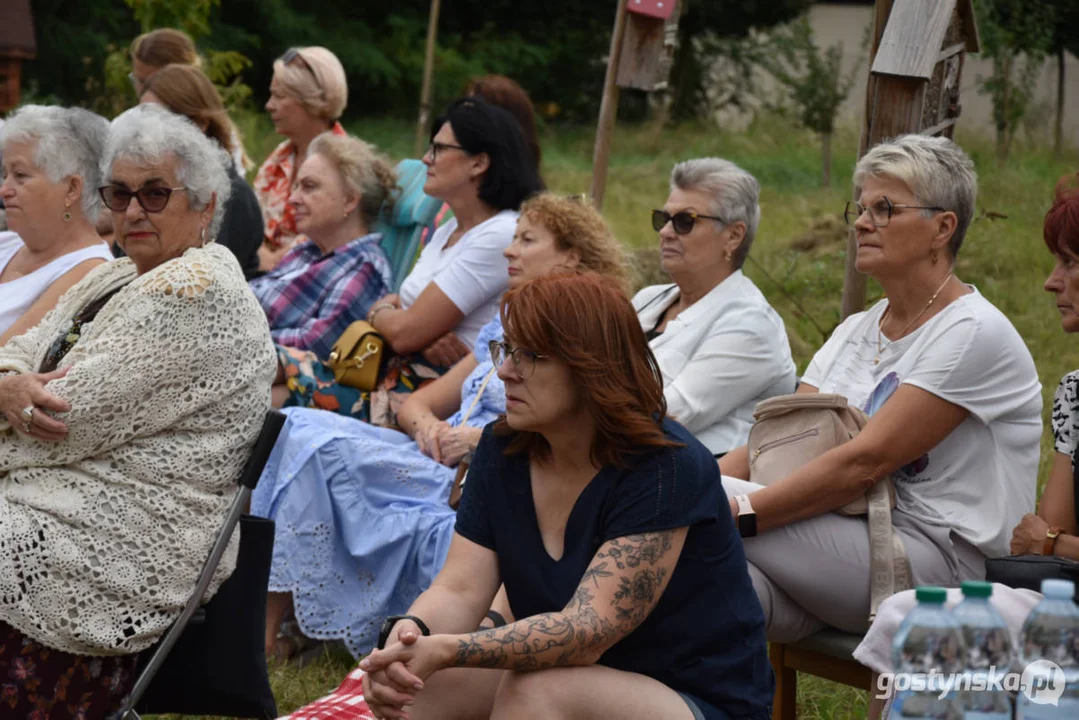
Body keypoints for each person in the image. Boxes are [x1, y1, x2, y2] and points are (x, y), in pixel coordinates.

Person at [357, 272, 774, 720]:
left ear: (590, 367)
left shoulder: (665, 468)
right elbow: (459, 589)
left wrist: (448, 649)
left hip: (694, 696)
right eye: (506, 350)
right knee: (416, 688)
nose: (504, 371)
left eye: (528, 356)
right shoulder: (504, 449)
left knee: (537, 690)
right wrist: (412, 637)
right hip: (580, 676)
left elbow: (588, 631)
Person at [251, 193, 631, 661]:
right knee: (294, 425)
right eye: (511, 239)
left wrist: (479, 442)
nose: (509, 251)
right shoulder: (505, 320)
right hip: (433, 451)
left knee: (317, 446)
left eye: (527, 241)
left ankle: (275, 634)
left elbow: (578, 432)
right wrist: (427, 426)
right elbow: (421, 402)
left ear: (572, 254)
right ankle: (269, 625)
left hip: (480, 471)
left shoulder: (585, 333)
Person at [0, 103, 275, 719]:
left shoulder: (196, 295)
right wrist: (8, 389)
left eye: (155, 194)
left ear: (204, 206)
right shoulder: (116, 277)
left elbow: (59, 420)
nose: (131, 211)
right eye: (119, 193)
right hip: (59, 501)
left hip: (120, 540)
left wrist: (15, 392)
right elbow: (18, 356)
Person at [717, 134, 1042, 644]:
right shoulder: (857, 329)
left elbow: (862, 464)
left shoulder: (972, 331)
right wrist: (676, 477)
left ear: (942, 227)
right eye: (861, 208)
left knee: (695, 507)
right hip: (844, 544)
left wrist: (735, 513)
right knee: (712, 593)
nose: (862, 222)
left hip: (941, 569)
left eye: (885, 208)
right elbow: (773, 447)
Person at [852, 174, 1079, 719]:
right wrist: (1055, 543)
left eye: (1070, 263)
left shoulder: (975, 332)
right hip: (1061, 603)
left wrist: (1058, 544)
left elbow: (1048, 540)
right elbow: (1034, 543)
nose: (1052, 282)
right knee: (909, 615)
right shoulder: (1075, 392)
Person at [273, 96, 543, 424]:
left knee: (269, 385)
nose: (426, 159)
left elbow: (405, 332)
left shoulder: (498, 235)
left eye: (440, 150)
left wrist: (395, 319)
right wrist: (400, 319)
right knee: (263, 372)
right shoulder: (448, 232)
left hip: (422, 397)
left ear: (478, 163)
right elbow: (402, 314)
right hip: (390, 376)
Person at [635, 158, 796, 456]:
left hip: (696, 488)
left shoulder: (750, 325)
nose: (666, 232)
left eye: (685, 221)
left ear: (733, 236)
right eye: (663, 218)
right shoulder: (648, 299)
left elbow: (666, 415)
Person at [249, 132, 395, 359]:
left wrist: (233, 336)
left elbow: (315, 344)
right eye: (296, 187)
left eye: (309, 187)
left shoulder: (364, 268)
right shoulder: (307, 251)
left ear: (350, 200)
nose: (292, 199)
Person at [0, 105, 114, 345]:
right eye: (5, 175)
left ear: (72, 188)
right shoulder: (6, 243)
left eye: (20, 175)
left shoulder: (90, 273)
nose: (4, 190)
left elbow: (7, 354)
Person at [139, 63, 263, 278]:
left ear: (200, 122)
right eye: (143, 119)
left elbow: (201, 284)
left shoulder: (233, 195)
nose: (146, 131)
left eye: (160, 120)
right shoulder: (141, 188)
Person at [255, 45, 348, 270]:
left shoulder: (345, 165)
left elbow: (330, 238)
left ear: (312, 102)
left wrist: (267, 260)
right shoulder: (280, 158)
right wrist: (259, 254)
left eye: (278, 96)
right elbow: (251, 223)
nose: (269, 106)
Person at [128, 27, 248, 173]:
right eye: (139, 81)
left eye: (154, 82)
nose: (143, 93)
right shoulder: (126, 126)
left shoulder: (216, 138)